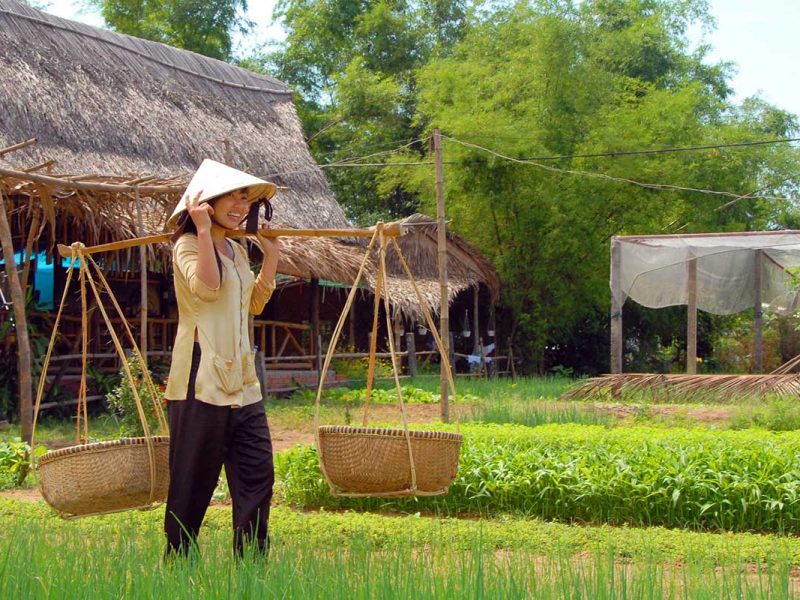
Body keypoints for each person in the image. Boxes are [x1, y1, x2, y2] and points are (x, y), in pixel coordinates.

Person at [162, 159, 279, 558]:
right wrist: (204, 231)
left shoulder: (238, 251)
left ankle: (250, 564)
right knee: (193, 483)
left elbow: (255, 304)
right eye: (231, 196)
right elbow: (207, 290)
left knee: (257, 474)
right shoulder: (187, 245)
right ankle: (178, 564)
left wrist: (272, 256)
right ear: (205, 201)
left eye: (245, 197)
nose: (240, 204)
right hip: (201, 376)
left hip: (244, 381)